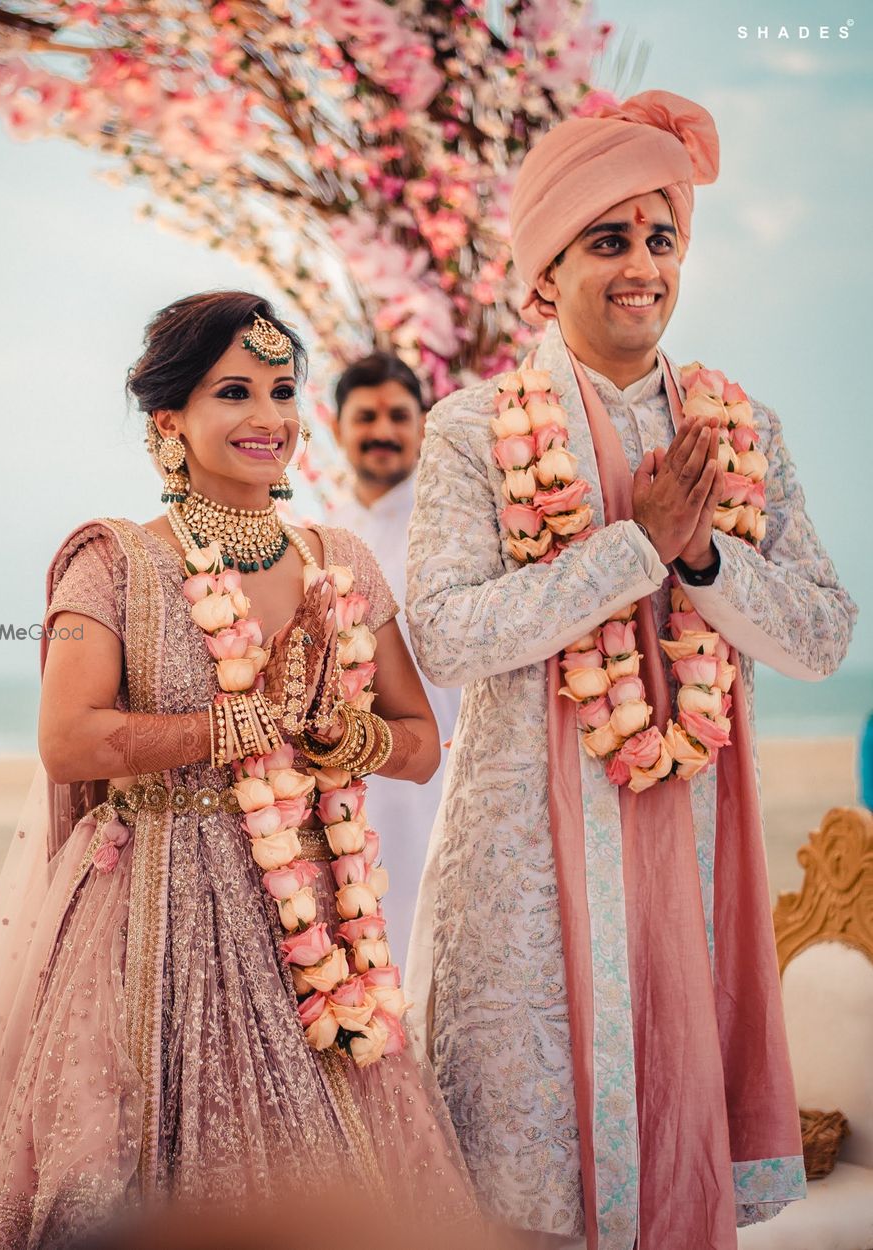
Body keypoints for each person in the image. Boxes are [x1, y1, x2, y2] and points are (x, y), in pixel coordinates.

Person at [0, 292, 478, 1250]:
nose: (269, 418)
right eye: (234, 392)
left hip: (318, 928)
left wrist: (346, 741)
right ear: (170, 421)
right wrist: (223, 728)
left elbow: (418, 740)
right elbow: (69, 739)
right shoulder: (114, 563)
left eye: (283, 391)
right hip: (157, 912)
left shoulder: (343, 563)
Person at [404, 92, 858, 1250]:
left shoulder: (737, 430)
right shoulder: (471, 430)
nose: (641, 267)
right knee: (521, 1185)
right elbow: (445, 635)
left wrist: (700, 554)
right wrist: (630, 549)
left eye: (661, 238)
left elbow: (819, 636)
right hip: (524, 867)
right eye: (608, 239)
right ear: (544, 269)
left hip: (691, 858)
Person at [330, 352, 461, 963]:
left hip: (445, 771)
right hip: (347, 777)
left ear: (424, 424)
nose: (382, 431)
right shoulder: (321, 536)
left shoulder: (454, 530)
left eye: (398, 415)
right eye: (366, 416)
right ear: (337, 428)